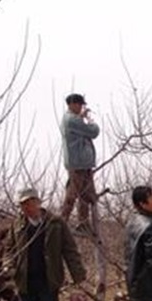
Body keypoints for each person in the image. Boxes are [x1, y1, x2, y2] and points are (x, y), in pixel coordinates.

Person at [3, 188, 87, 301]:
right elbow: (9, 248)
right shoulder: (17, 225)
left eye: (28, 203)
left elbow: (69, 250)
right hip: (25, 280)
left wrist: (78, 275)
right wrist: (8, 265)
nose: (26, 207)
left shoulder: (55, 223)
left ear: (37, 202)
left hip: (49, 280)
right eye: (22, 204)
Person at [60, 93, 100, 235]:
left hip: (82, 163)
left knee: (86, 195)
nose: (81, 107)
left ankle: (83, 223)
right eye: (79, 104)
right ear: (72, 104)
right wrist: (89, 120)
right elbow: (93, 131)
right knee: (73, 194)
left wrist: (82, 118)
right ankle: (62, 223)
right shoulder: (71, 120)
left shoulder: (73, 120)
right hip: (77, 164)